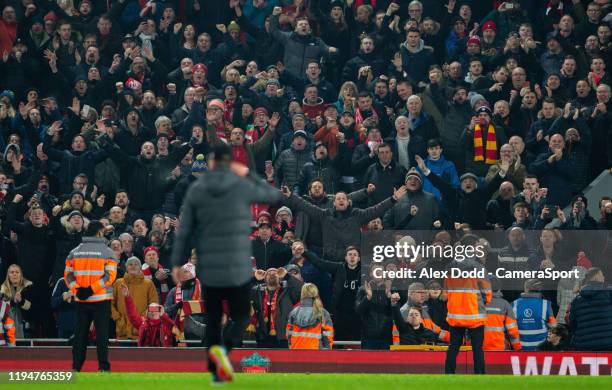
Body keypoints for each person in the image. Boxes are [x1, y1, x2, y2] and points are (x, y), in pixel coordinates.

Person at [171, 142, 282, 384]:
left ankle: (216, 368)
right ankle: (224, 350)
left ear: (210, 164)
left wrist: (177, 264)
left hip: (210, 265)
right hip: (236, 264)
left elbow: (184, 229)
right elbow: (274, 195)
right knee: (241, 316)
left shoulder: (199, 190)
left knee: (212, 319)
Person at [64, 220, 117, 372]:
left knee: (80, 336)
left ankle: (76, 367)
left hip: (81, 300)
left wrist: (78, 290)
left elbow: (68, 275)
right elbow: (110, 276)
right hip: (101, 300)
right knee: (101, 336)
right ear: (100, 233)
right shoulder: (108, 252)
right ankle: (103, 368)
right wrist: (92, 289)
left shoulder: (75, 252)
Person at [444, 234, 492, 374]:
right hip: (474, 314)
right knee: (477, 349)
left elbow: (446, 289)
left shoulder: (450, 267)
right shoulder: (478, 267)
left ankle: (448, 376)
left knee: (453, 347)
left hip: (455, 314)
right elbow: (487, 292)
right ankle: (479, 376)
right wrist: (482, 303)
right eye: (477, 245)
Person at [250, 266, 303, 348]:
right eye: (268, 273)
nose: (272, 274)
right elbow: (242, 293)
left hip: (283, 337)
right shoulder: (257, 291)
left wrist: (287, 276)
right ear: (264, 279)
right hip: (263, 337)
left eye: (275, 273)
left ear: (280, 278)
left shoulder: (288, 291)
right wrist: (254, 278)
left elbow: (302, 290)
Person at [111, 257, 158, 340]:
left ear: (140, 267)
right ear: (126, 268)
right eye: (130, 264)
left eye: (136, 264)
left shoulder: (148, 284)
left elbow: (154, 305)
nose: (133, 266)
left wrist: (143, 319)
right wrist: (118, 318)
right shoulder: (118, 283)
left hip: (142, 331)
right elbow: (110, 303)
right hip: (122, 331)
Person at [569, 267, 612, 351]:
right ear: (596, 277)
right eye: (602, 275)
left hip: (584, 345)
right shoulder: (609, 293)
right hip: (608, 343)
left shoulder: (576, 300)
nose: (604, 277)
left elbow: (572, 323)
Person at [120, 283, 176, 347]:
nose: (152, 312)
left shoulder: (165, 324)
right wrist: (127, 297)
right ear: (147, 312)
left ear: (160, 311)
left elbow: (174, 327)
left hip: (163, 354)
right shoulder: (143, 323)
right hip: (144, 354)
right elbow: (132, 315)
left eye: (155, 309)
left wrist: (163, 315)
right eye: (151, 309)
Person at [512, 279, 557, 352]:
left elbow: (511, 330)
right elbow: (554, 326)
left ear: (526, 289)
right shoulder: (546, 304)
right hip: (541, 349)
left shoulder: (514, 304)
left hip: (521, 349)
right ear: (539, 289)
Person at [286, 283, 334, 350]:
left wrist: (291, 346)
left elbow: (289, 334)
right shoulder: (323, 313)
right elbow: (328, 337)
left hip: (296, 352)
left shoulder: (294, 312)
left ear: (302, 294)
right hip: (316, 354)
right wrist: (326, 351)